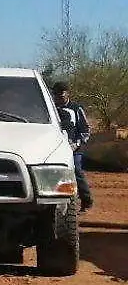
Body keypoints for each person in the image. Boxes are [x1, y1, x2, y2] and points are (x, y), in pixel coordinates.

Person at [52, 81, 94, 212]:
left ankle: (86, 201)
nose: (59, 98)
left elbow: (86, 129)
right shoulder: (50, 109)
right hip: (55, 148)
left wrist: (77, 144)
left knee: (76, 171)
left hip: (74, 148)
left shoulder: (76, 108)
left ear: (67, 94)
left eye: (62, 95)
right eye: (57, 95)